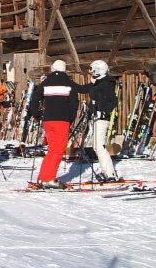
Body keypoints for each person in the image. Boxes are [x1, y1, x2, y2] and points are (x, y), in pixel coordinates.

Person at [29, 59, 87, 189]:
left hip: (48, 120)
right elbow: (74, 102)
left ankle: (44, 176)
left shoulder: (46, 82)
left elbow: (34, 98)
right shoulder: (68, 82)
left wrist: (37, 114)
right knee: (58, 150)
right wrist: (71, 118)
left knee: (52, 149)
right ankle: (49, 178)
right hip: (62, 120)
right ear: (64, 70)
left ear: (53, 69)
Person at [83, 60, 119, 182]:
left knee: (99, 147)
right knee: (96, 146)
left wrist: (103, 111)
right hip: (95, 117)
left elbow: (113, 101)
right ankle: (107, 172)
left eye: (93, 70)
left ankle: (110, 174)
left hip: (101, 118)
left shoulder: (106, 84)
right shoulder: (99, 83)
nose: (91, 72)